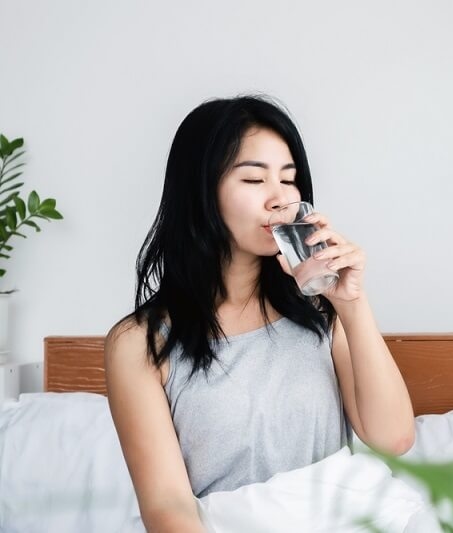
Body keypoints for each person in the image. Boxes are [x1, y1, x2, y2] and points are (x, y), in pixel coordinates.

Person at [105, 95, 415, 532]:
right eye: (254, 179)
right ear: (200, 192)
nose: (279, 198)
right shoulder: (140, 343)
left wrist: (351, 304)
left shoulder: (321, 313)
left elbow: (394, 438)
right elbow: (168, 510)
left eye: (289, 181)